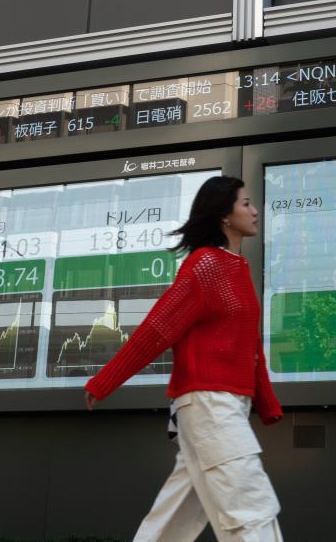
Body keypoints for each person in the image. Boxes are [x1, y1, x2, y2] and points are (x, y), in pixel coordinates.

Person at [84, 175, 284, 542]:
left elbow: (250, 347)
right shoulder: (205, 265)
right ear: (225, 215)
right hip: (209, 404)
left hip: (224, 405)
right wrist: (105, 381)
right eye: (246, 204)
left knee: (172, 524)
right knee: (251, 509)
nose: (255, 211)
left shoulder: (237, 267)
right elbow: (159, 328)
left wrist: (266, 403)